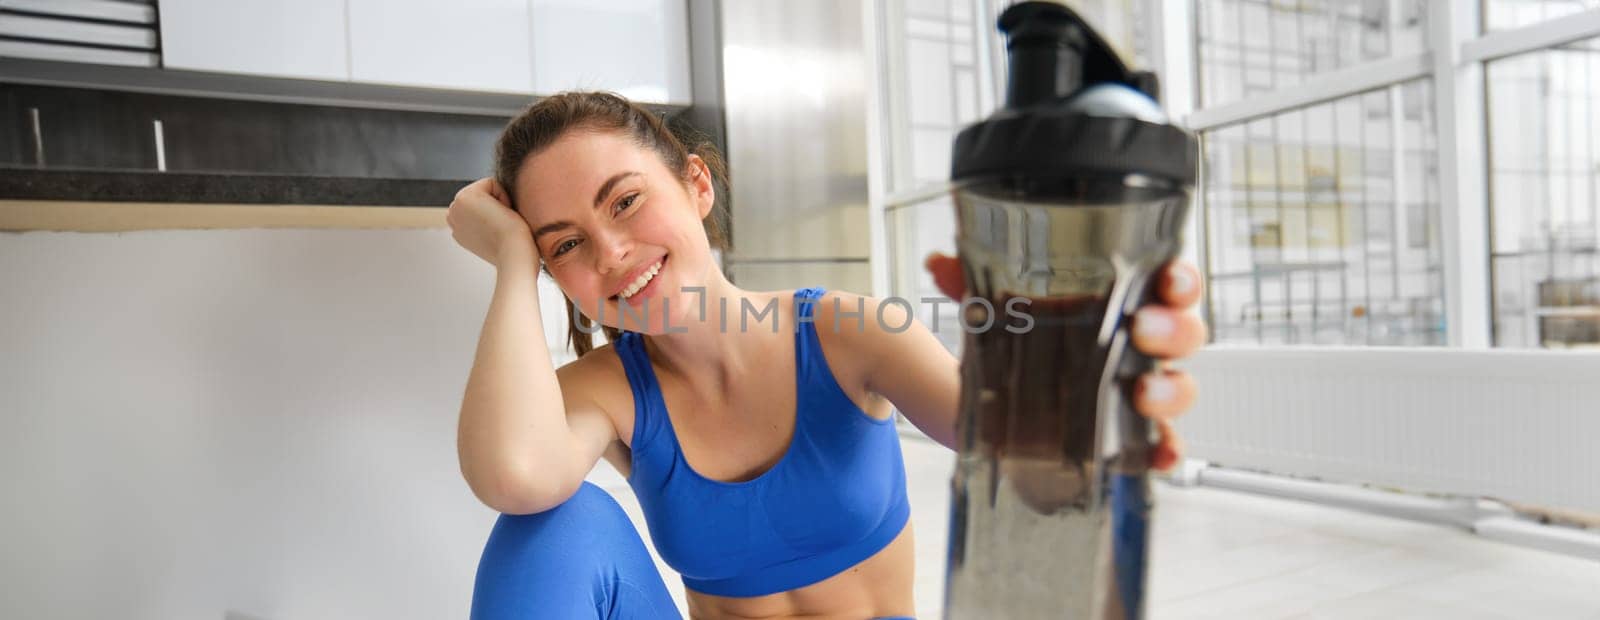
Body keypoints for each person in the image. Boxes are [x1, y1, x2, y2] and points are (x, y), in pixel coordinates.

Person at [447, 91, 1206, 619]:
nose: (611, 252)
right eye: (567, 244)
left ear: (696, 184)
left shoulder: (844, 333)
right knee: (551, 524)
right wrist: (515, 261)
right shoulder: (609, 392)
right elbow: (515, 477)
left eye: (625, 201)